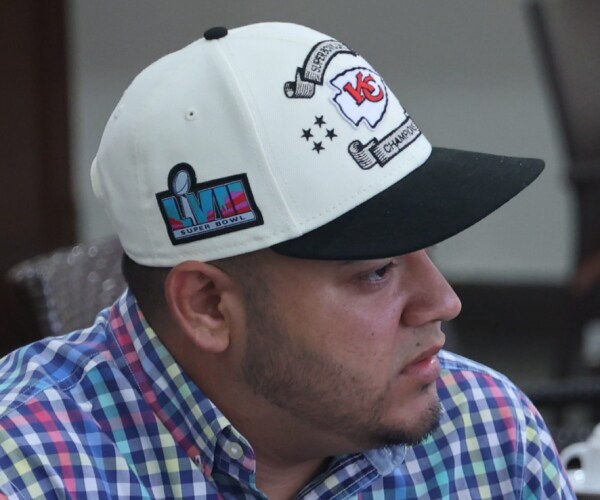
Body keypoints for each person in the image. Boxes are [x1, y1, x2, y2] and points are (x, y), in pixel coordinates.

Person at [0, 22, 574, 499]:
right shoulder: (32, 470)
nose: (443, 302)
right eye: (376, 271)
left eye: (427, 248)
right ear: (207, 306)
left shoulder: (487, 435)